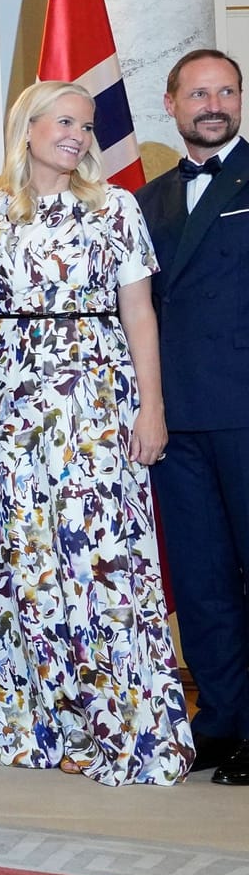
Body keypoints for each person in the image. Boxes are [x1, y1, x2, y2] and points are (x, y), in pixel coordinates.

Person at [0, 81, 192, 785]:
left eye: (86, 124)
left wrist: (153, 408)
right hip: (11, 404)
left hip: (98, 400)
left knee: (100, 561)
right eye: (65, 122)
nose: (79, 135)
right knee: (25, 561)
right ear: (28, 127)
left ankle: (117, 720)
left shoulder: (115, 210)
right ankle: (33, 717)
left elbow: (139, 313)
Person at [137, 49, 249, 785]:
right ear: (172, 104)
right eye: (198, 93)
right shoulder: (145, 200)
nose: (213, 104)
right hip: (174, 420)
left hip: (243, 408)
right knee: (203, 579)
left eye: (226, 92)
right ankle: (222, 722)